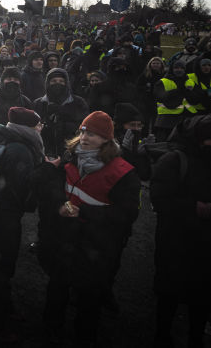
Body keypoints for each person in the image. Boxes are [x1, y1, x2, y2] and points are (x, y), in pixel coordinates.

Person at [39, 111, 140, 344]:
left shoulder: (123, 172)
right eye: (83, 131)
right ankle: (50, 326)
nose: (85, 138)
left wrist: (84, 213)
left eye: (93, 134)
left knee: (89, 295)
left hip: (96, 243)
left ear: (106, 139)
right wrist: (58, 206)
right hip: (66, 236)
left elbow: (127, 213)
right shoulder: (70, 157)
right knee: (58, 285)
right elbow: (54, 188)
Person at [0, 107, 46, 342]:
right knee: (2, 267)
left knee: (3, 263)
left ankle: (4, 307)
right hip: (6, 213)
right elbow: (21, 191)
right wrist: (46, 174)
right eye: (38, 124)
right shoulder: (21, 150)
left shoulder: (8, 138)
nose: (41, 128)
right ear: (28, 127)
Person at [151, 114, 211, 347]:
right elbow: (159, 198)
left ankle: (195, 338)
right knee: (169, 291)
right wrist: (194, 208)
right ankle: (162, 334)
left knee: (202, 294)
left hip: (205, 245)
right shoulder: (174, 160)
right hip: (175, 239)